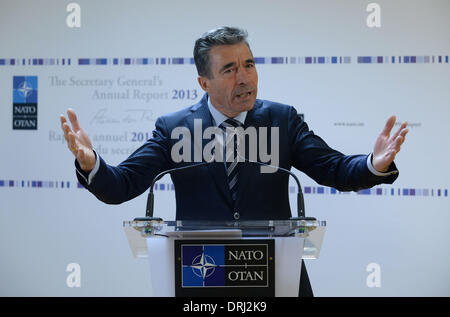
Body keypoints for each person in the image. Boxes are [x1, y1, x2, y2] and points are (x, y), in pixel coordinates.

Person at [60, 27, 408, 296]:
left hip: (275, 275)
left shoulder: (282, 120)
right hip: (203, 272)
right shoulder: (175, 128)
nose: (245, 77)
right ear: (204, 82)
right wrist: (92, 164)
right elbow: (122, 184)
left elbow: (332, 168)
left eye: (249, 65)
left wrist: (373, 164)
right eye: (229, 69)